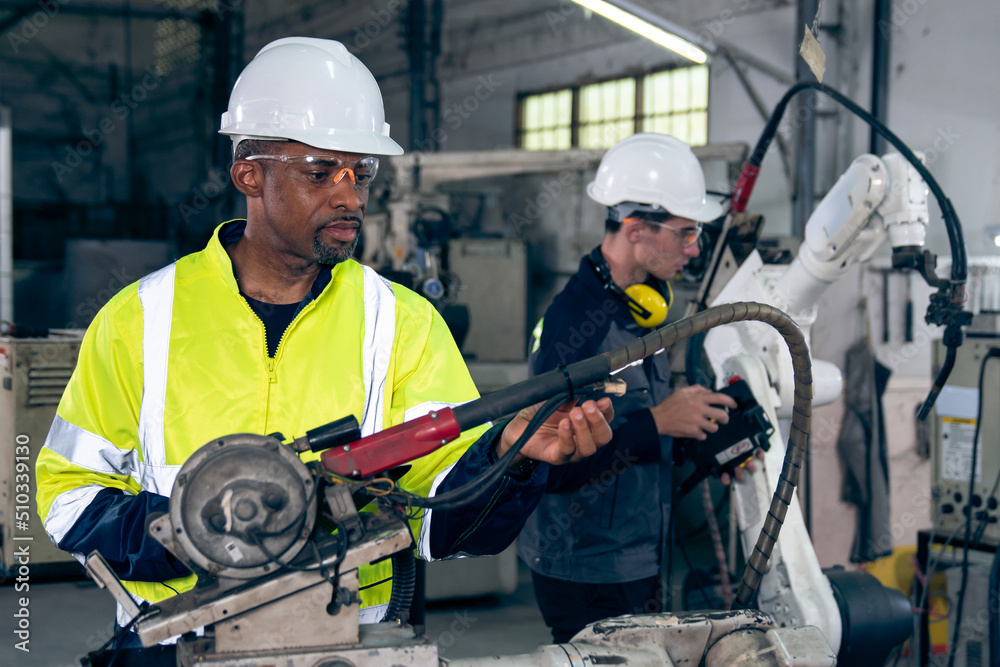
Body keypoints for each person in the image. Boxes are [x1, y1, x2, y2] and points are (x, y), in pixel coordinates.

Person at [35, 36, 613, 647]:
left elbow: (441, 519)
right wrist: (200, 536)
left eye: (361, 172)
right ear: (248, 175)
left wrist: (509, 458)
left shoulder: (401, 322)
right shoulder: (140, 318)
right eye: (320, 172)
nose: (351, 196)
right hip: (178, 643)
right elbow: (67, 498)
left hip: (346, 647)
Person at [518, 133, 740, 643]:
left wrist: (706, 442)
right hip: (586, 566)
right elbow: (552, 465)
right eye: (685, 234)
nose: (695, 248)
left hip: (636, 552)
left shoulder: (642, 309)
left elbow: (635, 424)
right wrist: (659, 422)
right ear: (637, 229)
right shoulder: (577, 326)